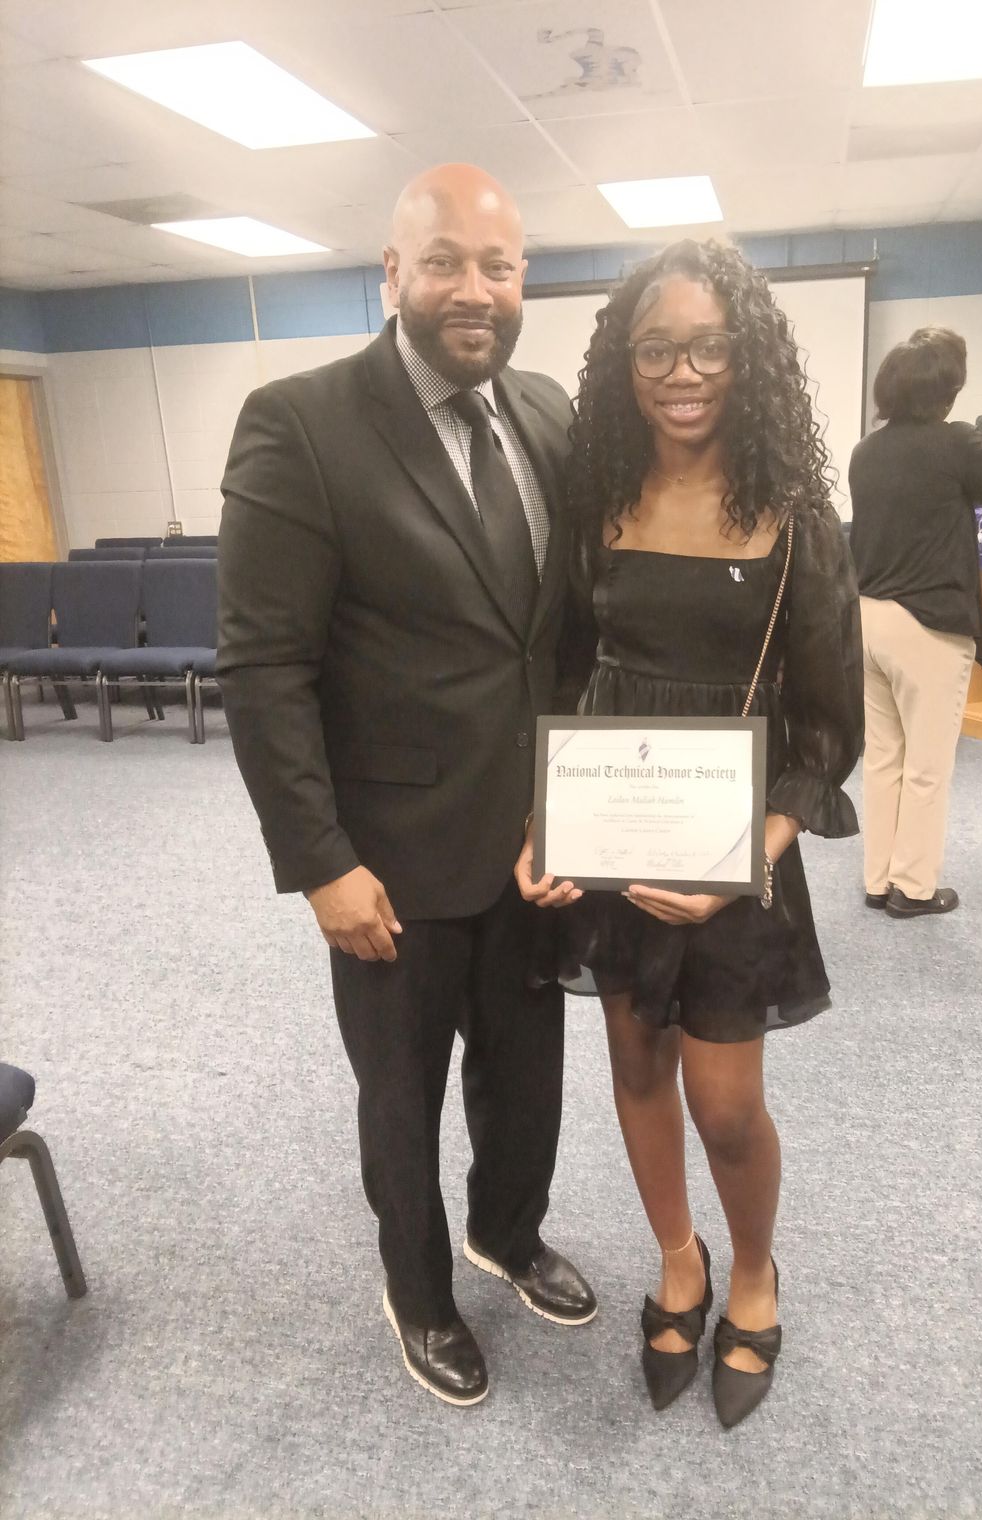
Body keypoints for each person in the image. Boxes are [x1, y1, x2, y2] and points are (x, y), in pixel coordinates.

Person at [216, 164, 595, 1409]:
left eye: (499, 264)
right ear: (394, 273)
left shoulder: (541, 412)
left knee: (526, 1076)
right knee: (403, 1097)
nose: (473, 289)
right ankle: (419, 1288)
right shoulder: (304, 420)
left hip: (532, 847)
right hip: (387, 856)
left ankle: (507, 1229)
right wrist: (319, 860)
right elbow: (266, 666)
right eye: (444, 262)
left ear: (524, 275)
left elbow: (553, 633)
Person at [517, 239, 863, 1429]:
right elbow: (567, 673)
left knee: (725, 1102)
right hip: (614, 834)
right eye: (655, 347)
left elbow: (828, 733)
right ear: (624, 360)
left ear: (747, 354)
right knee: (634, 1064)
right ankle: (680, 1256)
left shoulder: (796, 518)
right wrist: (543, 820)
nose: (681, 371)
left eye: (708, 344)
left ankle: (754, 1270)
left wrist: (749, 859)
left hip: (732, 856)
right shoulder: (598, 502)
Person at [848, 328, 982, 917]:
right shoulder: (957, 442)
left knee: (883, 758)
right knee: (928, 765)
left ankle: (879, 879)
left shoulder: (866, 450)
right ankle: (914, 888)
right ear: (949, 391)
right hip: (929, 625)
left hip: (870, 618)